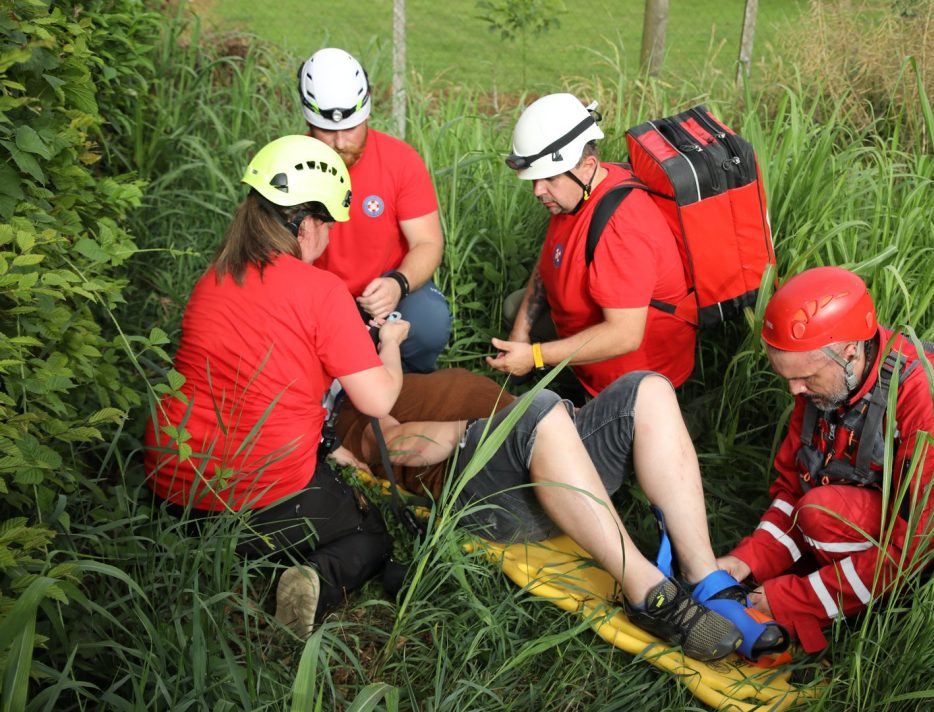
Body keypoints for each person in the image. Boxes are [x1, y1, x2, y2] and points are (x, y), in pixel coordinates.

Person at [331, 369, 788, 662]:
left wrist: (389, 351)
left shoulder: (398, 380)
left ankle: (703, 575)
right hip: (486, 493)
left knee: (647, 390)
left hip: (545, 454)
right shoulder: (357, 408)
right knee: (540, 407)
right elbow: (391, 447)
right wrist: (473, 430)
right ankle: (648, 593)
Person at [143, 134, 410, 637]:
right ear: (304, 223)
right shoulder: (322, 290)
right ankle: (315, 580)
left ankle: (216, 555)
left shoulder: (215, 275)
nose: (328, 235)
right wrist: (390, 343)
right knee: (369, 532)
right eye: (327, 221)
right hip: (255, 490)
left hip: (171, 484)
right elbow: (377, 398)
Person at [717, 266, 934, 652]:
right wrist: (745, 561)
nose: (794, 390)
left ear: (849, 352)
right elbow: (794, 485)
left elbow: (917, 546)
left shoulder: (932, 400)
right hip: (878, 515)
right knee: (815, 512)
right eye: (786, 377)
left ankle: (879, 610)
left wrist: (791, 599)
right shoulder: (826, 385)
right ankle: (821, 583)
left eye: (804, 378)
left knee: (820, 516)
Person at [487, 93, 697, 398]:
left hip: (634, 376)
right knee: (514, 307)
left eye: (548, 178)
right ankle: (571, 373)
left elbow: (624, 335)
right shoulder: (577, 192)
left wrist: (535, 356)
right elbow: (549, 261)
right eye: (533, 180)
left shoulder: (622, 228)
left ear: (588, 165)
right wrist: (521, 335)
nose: (537, 191)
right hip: (589, 327)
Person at [297, 47, 451, 373]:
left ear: (366, 113)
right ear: (307, 120)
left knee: (430, 322)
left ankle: (409, 381)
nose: (340, 143)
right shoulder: (289, 167)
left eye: (350, 128)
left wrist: (399, 283)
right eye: (327, 131)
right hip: (318, 294)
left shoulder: (401, 161)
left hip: (385, 287)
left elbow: (428, 242)